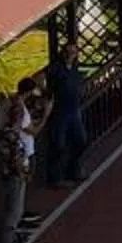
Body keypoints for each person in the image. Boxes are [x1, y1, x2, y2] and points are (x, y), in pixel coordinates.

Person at [0, 86, 36, 243]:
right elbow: (14, 160)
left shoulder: (8, 134)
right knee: (13, 209)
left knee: (16, 207)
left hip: (14, 172)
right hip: (13, 175)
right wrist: (23, 172)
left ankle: (11, 238)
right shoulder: (10, 137)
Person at [40, 38, 89, 190]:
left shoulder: (74, 68)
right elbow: (39, 77)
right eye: (68, 52)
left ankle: (72, 169)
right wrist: (46, 93)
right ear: (63, 53)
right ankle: (55, 177)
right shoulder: (56, 68)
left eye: (73, 52)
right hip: (59, 112)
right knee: (58, 145)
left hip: (73, 111)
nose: (70, 55)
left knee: (81, 141)